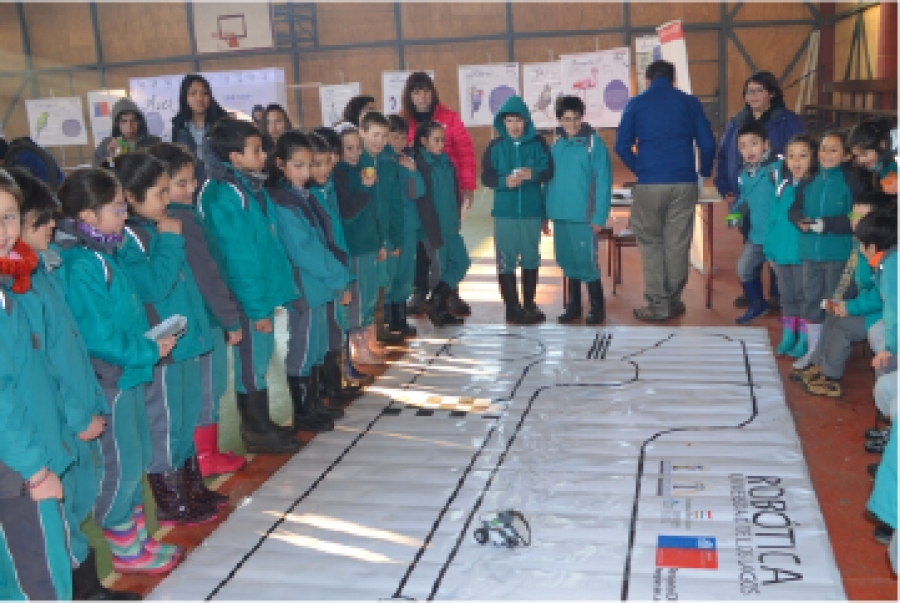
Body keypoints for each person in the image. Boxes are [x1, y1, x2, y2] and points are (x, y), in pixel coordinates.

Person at [10, 169, 140, 600]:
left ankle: (88, 588)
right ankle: (84, 591)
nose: (52, 224)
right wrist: (79, 414)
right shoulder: (22, 287)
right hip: (52, 426)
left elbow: (69, 350)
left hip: (68, 418)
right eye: (39, 219)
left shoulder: (43, 269)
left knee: (76, 504)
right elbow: (42, 368)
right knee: (59, 519)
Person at [56, 169, 181, 575]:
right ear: (87, 216)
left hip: (129, 372)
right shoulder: (81, 264)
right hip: (110, 379)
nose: (125, 216)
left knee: (137, 457)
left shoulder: (106, 252)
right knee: (121, 465)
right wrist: (147, 349)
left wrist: (148, 345)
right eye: (116, 209)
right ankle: (123, 545)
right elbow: (97, 336)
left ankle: (138, 537)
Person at [198, 119, 302, 455]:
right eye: (256, 150)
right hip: (245, 299)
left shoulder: (248, 189)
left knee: (259, 358)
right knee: (250, 363)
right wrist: (256, 309)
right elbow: (239, 258)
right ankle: (255, 430)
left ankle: (263, 422)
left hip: (259, 294)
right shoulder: (223, 195)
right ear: (234, 157)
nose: (263, 156)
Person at [146, 143, 246, 478]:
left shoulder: (176, 218)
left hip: (195, 321)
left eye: (193, 180)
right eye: (181, 183)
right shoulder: (182, 221)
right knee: (208, 389)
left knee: (200, 392)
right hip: (205, 321)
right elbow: (207, 275)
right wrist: (230, 318)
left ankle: (204, 454)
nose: (191, 188)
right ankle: (205, 456)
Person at [0, 170, 75, 601]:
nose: (4, 231)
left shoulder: (11, 287)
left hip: (27, 456)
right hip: (18, 472)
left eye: (9, 216)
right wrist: (35, 469)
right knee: (40, 582)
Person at [614, 60, 716, 321]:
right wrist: (703, 173)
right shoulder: (689, 103)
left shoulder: (636, 103)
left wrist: (640, 169)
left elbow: (622, 146)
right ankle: (673, 301)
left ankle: (658, 304)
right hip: (684, 182)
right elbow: (707, 143)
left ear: (647, 80)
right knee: (677, 243)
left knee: (650, 243)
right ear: (673, 80)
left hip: (650, 182)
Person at [266, 131, 350, 433]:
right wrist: (340, 277)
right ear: (281, 164)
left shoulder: (305, 196)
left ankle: (313, 402)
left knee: (316, 346)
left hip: (319, 285)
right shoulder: (284, 203)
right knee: (302, 349)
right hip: (304, 287)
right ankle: (302, 409)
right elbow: (306, 250)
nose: (305, 172)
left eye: (309, 165)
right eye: (298, 166)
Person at [715, 71, 806, 309]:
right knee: (752, 242)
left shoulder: (788, 121)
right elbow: (723, 156)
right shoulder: (736, 122)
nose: (753, 96)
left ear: (772, 93)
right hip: (746, 196)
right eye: (749, 91)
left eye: (759, 91)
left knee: (777, 245)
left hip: (779, 199)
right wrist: (724, 186)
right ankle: (753, 294)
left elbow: (801, 154)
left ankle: (778, 294)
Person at [798, 193, 897, 398]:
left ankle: (830, 378)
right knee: (833, 315)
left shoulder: (883, 255)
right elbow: (851, 277)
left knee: (843, 327)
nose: (854, 222)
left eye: (862, 217)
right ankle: (817, 364)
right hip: (868, 305)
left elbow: (882, 297)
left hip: (878, 313)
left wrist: (850, 307)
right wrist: (840, 303)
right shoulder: (860, 243)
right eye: (853, 215)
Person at [788, 130, 865, 371]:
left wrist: (828, 224)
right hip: (810, 254)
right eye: (823, 149)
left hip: (838, 255)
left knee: (834, 304)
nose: (827, 154)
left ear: (845, 156)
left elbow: (857, 217)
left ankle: (830, 357)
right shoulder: (809, 182)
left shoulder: (852, 183)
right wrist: (799, 220)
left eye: (834, 149)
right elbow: (794, 209)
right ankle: (813, 353)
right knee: (811, 302)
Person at [401, 72, 475, 317]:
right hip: (424, 210)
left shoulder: (449, 118)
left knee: (449, 258)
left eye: (426, 91)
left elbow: (465, 151)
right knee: (426, 254)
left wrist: (467, 187)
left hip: (446, 201)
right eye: (416, 92)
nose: (422, 97)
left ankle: (447, 295)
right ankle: (421, 293)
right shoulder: (403, 121)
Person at [308, 129, 373, 395]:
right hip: (324, 275)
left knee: (336, 323)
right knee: (321, 333)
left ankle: (339, 375)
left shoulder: (328, 189)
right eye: (319, 162)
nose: (328, 166)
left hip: (337, 265)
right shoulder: (311, 195)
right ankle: (326, 386)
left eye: (330, 159)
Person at [481, 95, 553, 325]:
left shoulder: (538, 143)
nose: (514, 126)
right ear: (502, 122)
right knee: (506, 260)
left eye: (519, 120)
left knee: (531, 257)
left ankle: (529, 304)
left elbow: (549, 171)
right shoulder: (495, 146)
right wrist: (504, 182)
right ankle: (512, 308)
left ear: (527, 121)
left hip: (531, 212)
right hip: (505, 214)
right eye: (509, 120)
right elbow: (486, 176)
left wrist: (533, 174)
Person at [546, 96, 612, 326]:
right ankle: (574, 306)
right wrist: (546, 213)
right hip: (560, 215)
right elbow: (549, 182)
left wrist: (599, 216)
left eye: (576, 118)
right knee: (567, 260)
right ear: (559, 120)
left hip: (583, 217)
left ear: (582, 118)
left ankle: (597, 307)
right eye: (566, 119)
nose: (572, 124)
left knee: (586, 262)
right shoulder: (556, 145)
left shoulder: (593, 143)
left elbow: (603, 181)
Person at [333, 124, 386, 366]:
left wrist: (379, 241)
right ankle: (357, 344)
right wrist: (365, 187)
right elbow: (348, 212)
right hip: (354, 246)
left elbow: (374, 210)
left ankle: (369, 336)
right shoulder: (340, 174)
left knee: (370, 294)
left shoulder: (364, 168)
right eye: (349, 149)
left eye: (357, 148)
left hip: (368, 244)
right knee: (358, 297)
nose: (354, 153)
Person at [414, 121, 472, 327]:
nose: (441, 145)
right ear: (424, 141)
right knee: (440, 269)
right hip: (433, 230)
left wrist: (457, 216)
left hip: (451, 226)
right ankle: (440, 309)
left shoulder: (447, 162)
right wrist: (432, 232)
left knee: (462, 262)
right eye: (436, 140)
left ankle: (436, 302)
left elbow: (455, 192)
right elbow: (422, 202)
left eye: (442, 140)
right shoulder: (421, 165)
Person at [765, 134, 816, 357]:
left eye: (803, 156)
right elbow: (773, 220)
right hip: (781, 254)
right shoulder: (783, 186)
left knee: (804, 297)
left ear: (813, 158)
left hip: (802, 256)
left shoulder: (814, 187)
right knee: (786, 297)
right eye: (791, 156)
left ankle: (804, 339)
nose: (796, 161)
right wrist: (769, 250)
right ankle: (788, 336)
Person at [359, 111, 404, 345]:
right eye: (374, 135)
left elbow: (395, 203)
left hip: (383, 234)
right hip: (364, 237)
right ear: (362, 133)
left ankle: (377, 328)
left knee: (381, 282)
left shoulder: (388, 164)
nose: (379, 141)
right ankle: (363, 336)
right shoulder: (356, 163)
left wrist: (396, 236)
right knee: (365, 286)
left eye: (384, 136)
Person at [728, 122, 780, 324]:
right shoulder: (744, 173)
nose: (749, 150)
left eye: (754, 143)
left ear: (766, 144)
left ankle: (795, 322)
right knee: (744, 267)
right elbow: (744, 198)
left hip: (779, 236)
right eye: (743, 146)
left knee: (786, 280)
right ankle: (757, 305)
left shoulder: (778, 169)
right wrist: (735, 214)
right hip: (757, 235)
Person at [386, 114, 426, 335]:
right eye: (395, 137)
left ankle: (399, 318)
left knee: (405, 273)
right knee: (389, 273)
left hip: (408, 227)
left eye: (403, 138)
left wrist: (412, 171)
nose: (399, 142)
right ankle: (385, 319)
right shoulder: (381, 163)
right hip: (390, 229)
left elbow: (416, 193)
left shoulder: (408, 161)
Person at [170, 74, 228, 185]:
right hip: (190, 186)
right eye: (193, 93)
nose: (199, 98)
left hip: (219, 185)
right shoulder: (179, 127)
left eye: (205, 93)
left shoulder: (222, 124)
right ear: (185, 97)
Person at [93, 98, 162, 166]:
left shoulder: (154, 143)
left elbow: (163, 168)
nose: (129, 126)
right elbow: (102, 171)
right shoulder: (106, 145)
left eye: (133, 121)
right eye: (124, 121)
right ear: (117, 124)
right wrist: (112, 157)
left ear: (139, 122)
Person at [848, 117, 898, 194]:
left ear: (882, 145)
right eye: (856, 155)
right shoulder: (880, 163)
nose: (861, 160)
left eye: (864, 154)